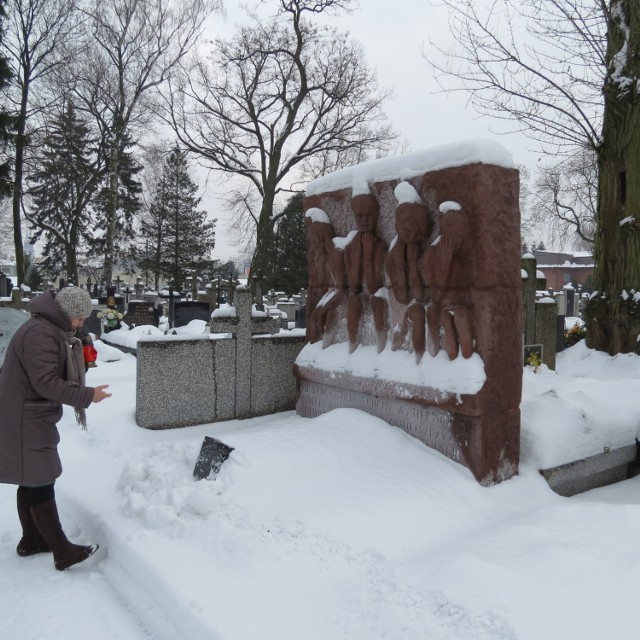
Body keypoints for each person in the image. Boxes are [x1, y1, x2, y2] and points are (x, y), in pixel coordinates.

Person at [0, 286, 112, 570]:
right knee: (41, 479)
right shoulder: (41, 334)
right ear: (67, 313)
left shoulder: (45, 328)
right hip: (25, 416)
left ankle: (32, 540)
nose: (80, 324)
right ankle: (62, 550)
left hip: (25, 413)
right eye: (78, 317)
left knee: (32, 477)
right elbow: (45, 382)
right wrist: (88, 396)